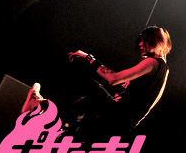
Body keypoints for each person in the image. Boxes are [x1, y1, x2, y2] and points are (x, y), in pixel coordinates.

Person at [22, 26, 172, 140]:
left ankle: (38, 104)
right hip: (121, 122)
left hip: (117, 116)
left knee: (91, 87)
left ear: (152, 40)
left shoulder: (153, 63)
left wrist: (88, 57)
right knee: (77, 127)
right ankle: (42, 114)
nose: (139, 44)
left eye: (143, 40)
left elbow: (113, 79)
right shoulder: (162, 70)